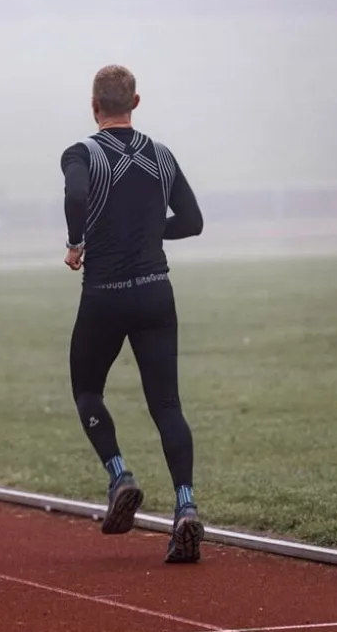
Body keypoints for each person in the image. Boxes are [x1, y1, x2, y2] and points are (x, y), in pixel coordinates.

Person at [60, 65, 205, 563]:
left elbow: (78, 194)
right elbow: (193, 221)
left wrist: (77, 242)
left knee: (86, 389)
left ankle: (120, 474)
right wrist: (148, 232)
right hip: (155, 293)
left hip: (105, 294)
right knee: (167, 406)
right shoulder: (160, 156)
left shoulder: (81, 153)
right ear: (135, 102)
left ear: (93, 104)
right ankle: (185, 507)